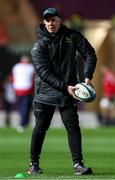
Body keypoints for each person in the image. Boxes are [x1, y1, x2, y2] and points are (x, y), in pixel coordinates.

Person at [27, 8, 97, 175]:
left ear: (60, 21)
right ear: (44, 22)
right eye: (47, 20)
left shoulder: (72, 36)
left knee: (73, 128)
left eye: (54, 19)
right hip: (46, 94)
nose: (51, 23)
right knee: (40, 128)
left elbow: (90, 53)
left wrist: (87, 76)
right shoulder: (39, 46)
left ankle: (78, 165)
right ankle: (33, 164)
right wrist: (66, 87)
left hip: (68, 93)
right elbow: (44, 73)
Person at [10, 55, 35, 132]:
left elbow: (12, 78)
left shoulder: (16, 67)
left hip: (17, 89)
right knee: (25, 107)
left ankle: (24, 123)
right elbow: (34, 80)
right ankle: (23, 123)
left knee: (21, 107)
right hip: (27, 90)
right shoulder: (31, 67)